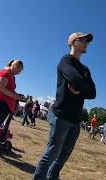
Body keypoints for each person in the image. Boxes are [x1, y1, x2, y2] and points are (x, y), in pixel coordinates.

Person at [33, 32, 96, 180]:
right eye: (83, 39)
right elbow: (76, 79)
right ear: (73, 42)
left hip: (76, 120)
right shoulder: (66, 60)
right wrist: (83, 86)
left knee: (64, 156)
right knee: (52, 153)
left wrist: (79, 88)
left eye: (87, 40)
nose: (86, 42)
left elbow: (93, 93)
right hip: (61, 116)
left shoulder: (85, 69)